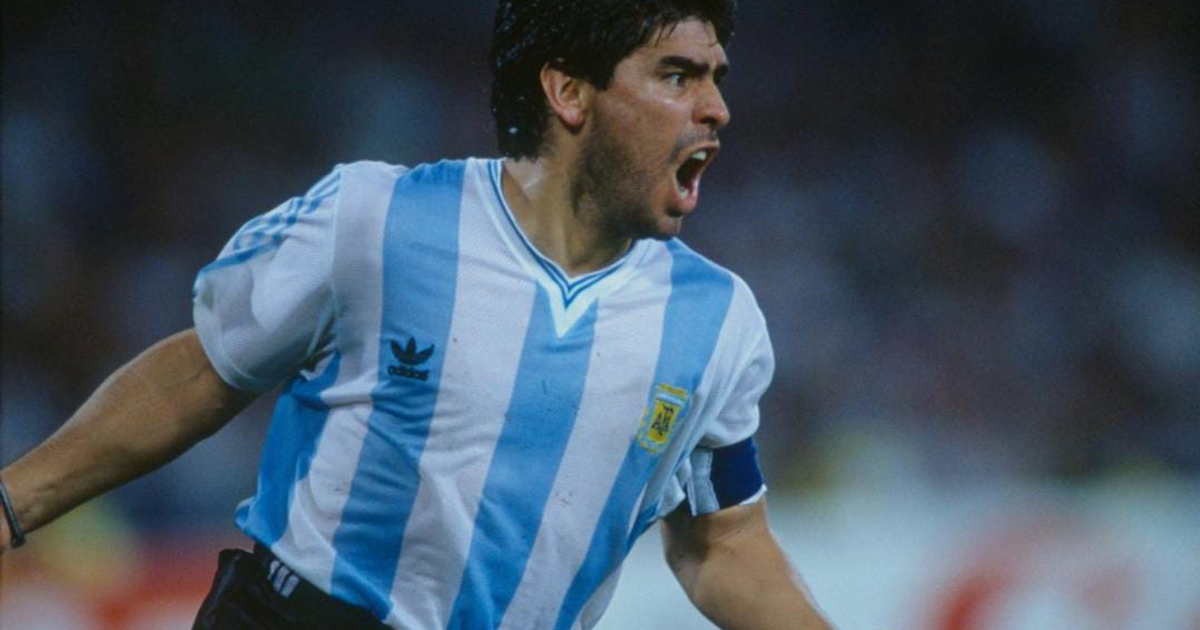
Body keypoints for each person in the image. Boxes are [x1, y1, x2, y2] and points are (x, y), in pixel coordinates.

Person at [0, 1, 836, 629]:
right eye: (678, 75)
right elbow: (205, 370)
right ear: (570, 92)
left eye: (717, 79)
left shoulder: (718, 322)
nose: (716, 108)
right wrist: (14, 502)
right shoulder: (377, 219)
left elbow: (723, 543)